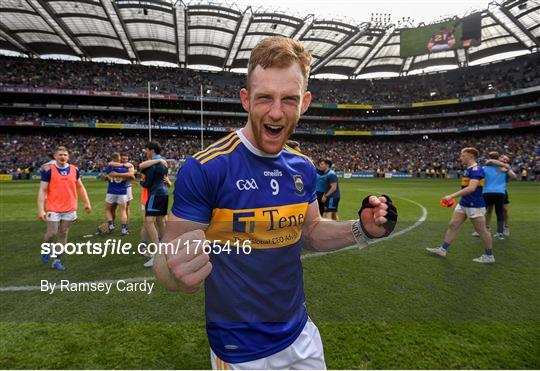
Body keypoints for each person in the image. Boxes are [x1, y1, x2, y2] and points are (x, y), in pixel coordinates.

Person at [153, 36, 398, 370]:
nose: (276, 112)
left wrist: (362, 230)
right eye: (265, 97)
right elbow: (167, 257)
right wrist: (172, 271)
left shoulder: (303, 167)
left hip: (300, 334)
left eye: (289, 99)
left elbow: (310, 231)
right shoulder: (206, 167)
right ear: (245, 99)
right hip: (239, 349)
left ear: (305, 102)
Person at [427, 147, 495, 264]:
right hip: (464, 203)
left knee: (481, 230)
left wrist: (452, 196)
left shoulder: (476, 170)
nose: (461, 158)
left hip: (475, 205)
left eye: (463, 156)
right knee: (453, 224)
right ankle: (443, 249)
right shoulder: (468, 170)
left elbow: (471, 188)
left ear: (470, 156)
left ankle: (489, 255)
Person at [38, 146, 92, 270]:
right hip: (53, 208)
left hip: (70, 208)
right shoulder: (49, 170)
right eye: (60, 155)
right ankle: (46, 249)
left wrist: (87, 203)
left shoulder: (74, 169)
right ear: (55, 157)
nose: (63, 157)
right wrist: (41, 209)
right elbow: (42, 190)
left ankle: (57, 260)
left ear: (68, 157)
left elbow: (80, 187)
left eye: (65, 155)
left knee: (63, 234)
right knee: (52, 233)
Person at [472, 152, 516, 239]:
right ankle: (500, 233)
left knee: (483, 212)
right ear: (499, 157)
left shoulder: (484, 168)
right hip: (500, 192)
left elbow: (477, 176)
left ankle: (481, 230)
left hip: (487, 192)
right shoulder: (503, 168)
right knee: (499, 212)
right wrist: (506, 168)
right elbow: (514, 177)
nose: (505, 160)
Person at [140, 141, 169, 268]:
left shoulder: (153, 164)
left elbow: (146, 179)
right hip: (164, 193)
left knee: (148, 222)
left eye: (146, 150)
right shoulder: (164, 162)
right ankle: (165, 250)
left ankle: (158, 254)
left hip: (155, 194)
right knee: (160, 222)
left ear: (152, 150)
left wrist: (142, 183)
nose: (145, 152)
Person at [103, 153, 135, 235]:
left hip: (111, 191)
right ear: (119, 159)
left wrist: (113, 175)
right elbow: (131, 175)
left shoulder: (109, 168)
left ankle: (111, 225)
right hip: (122, 192)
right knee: (123, 211)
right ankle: (124, 229)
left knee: (107, 209)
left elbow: (108, 170)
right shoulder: (125, 169)